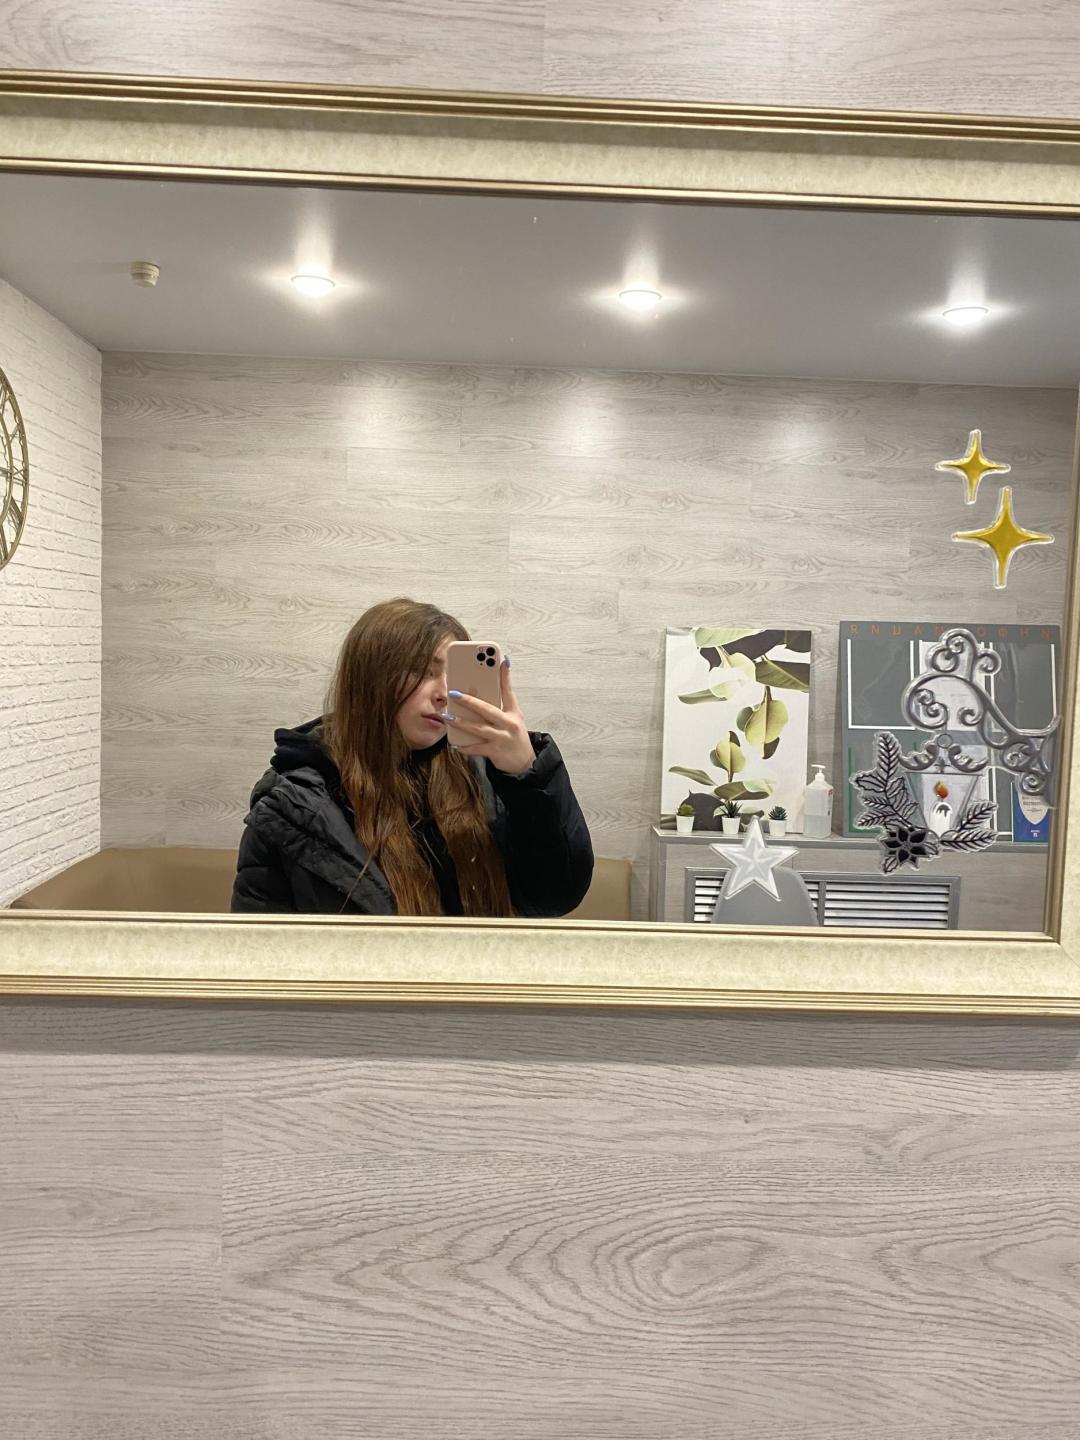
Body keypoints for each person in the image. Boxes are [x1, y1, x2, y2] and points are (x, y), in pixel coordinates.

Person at [231, 597, 594, 917]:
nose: (443, 693)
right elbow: (260, 953)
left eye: (453, 676)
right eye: (423, 671)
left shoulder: (484, 778)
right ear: (370, 678)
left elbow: (555, 897)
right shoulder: (294, 806)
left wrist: (527, 776)